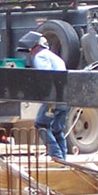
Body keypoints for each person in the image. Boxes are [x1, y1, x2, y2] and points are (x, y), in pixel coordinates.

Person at [16, 31, 69, 161]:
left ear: (34, 46)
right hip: (65, 97)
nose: (30, 54)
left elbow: (46, 75)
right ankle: (63, 158)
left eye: (30, 51)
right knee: (57, 129)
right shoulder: (53, 56)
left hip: (53, 97)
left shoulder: (40, 56)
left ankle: (56, 155)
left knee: (41, 124)